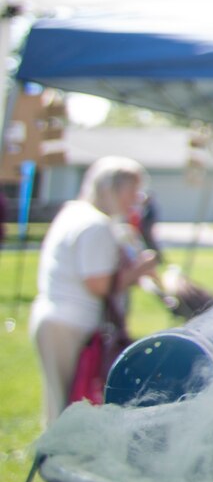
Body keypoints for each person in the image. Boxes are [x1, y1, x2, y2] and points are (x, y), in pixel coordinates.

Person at [30, 157, 155, 431]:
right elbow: (97, 284)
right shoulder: (94, 224)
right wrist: (139, 270)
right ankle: (57, 464)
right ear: (114, 189)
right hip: (70, 323)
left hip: (59, 318)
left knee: (62, 403)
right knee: (65, 408)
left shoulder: (76, 213)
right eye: (132, 191)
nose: (136, 199)